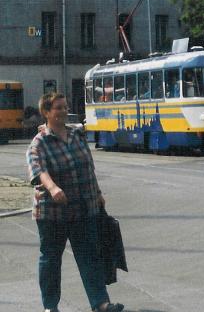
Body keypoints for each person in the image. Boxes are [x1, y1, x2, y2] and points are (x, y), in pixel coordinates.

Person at [26, 92, 124, 312]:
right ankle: (50, 306)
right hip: (52, 213)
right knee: (51, 260)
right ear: (46, 112)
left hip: (83, 209)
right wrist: (53, 188)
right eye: (58, 108)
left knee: (90, 256)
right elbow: (38, 170)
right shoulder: (39, 142)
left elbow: (88, 166)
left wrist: (97, 192)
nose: (63, 111)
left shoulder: (76, 135)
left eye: (65, 107)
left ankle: (100, 303)